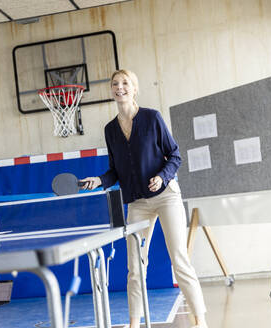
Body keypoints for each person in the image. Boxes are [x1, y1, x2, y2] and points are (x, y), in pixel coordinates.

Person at [80, 69, 208, 328]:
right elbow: (114, 170)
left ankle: (200, 319)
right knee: (135, 268)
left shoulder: (152, 118)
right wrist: (100, 181)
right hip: (138, 203)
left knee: (179, 259)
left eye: (125, 83)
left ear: (134, 88)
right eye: (115, 83)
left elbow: (175, 155)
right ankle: (133, 323)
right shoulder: (111, 130)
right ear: (111, 90)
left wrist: (162, 176)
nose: (120, 87)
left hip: (167, 196)